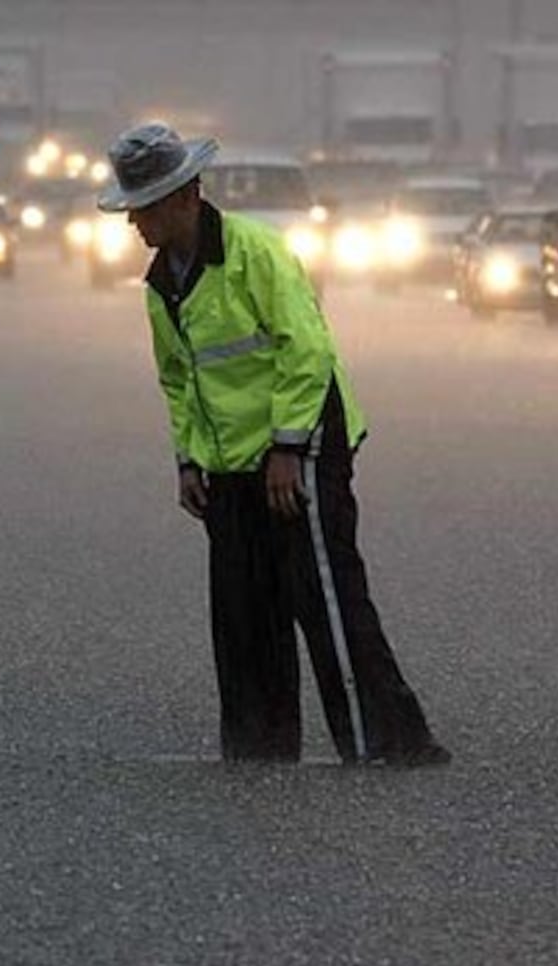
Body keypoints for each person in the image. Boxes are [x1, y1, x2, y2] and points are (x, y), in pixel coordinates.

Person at [98, 123, 449, 766]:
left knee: (324, 598)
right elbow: (180, 380)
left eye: (144, 208)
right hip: (229, 458)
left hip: (303, 441)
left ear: (186, 197)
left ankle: (389, 744)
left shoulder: (256, 252)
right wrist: (188, 460)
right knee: (243, 608)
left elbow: (307, 349)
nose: (135, 223)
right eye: (131, 209)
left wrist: (288, 447)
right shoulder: (160, 286)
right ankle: (259, 749)